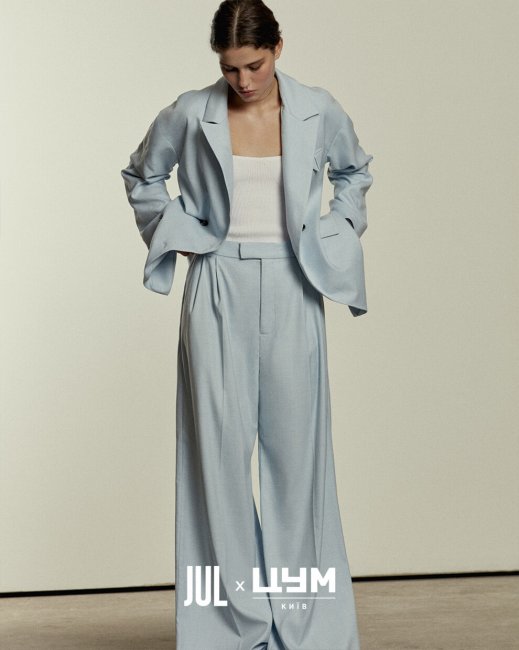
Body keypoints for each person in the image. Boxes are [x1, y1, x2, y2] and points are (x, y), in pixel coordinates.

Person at [121, 1, 373, 648]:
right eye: (229, 68)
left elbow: (353, 172)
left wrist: (336, 231)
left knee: (299, 462)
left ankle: (308, 623)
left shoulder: (317, 109)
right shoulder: (189, 112)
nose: (243, 81)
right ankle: (226, 626)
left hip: (295, 285)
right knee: (216, 461)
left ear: (278, 48)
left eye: (254, 65)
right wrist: (184, 233)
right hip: (217, 285)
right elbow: (142, 176)